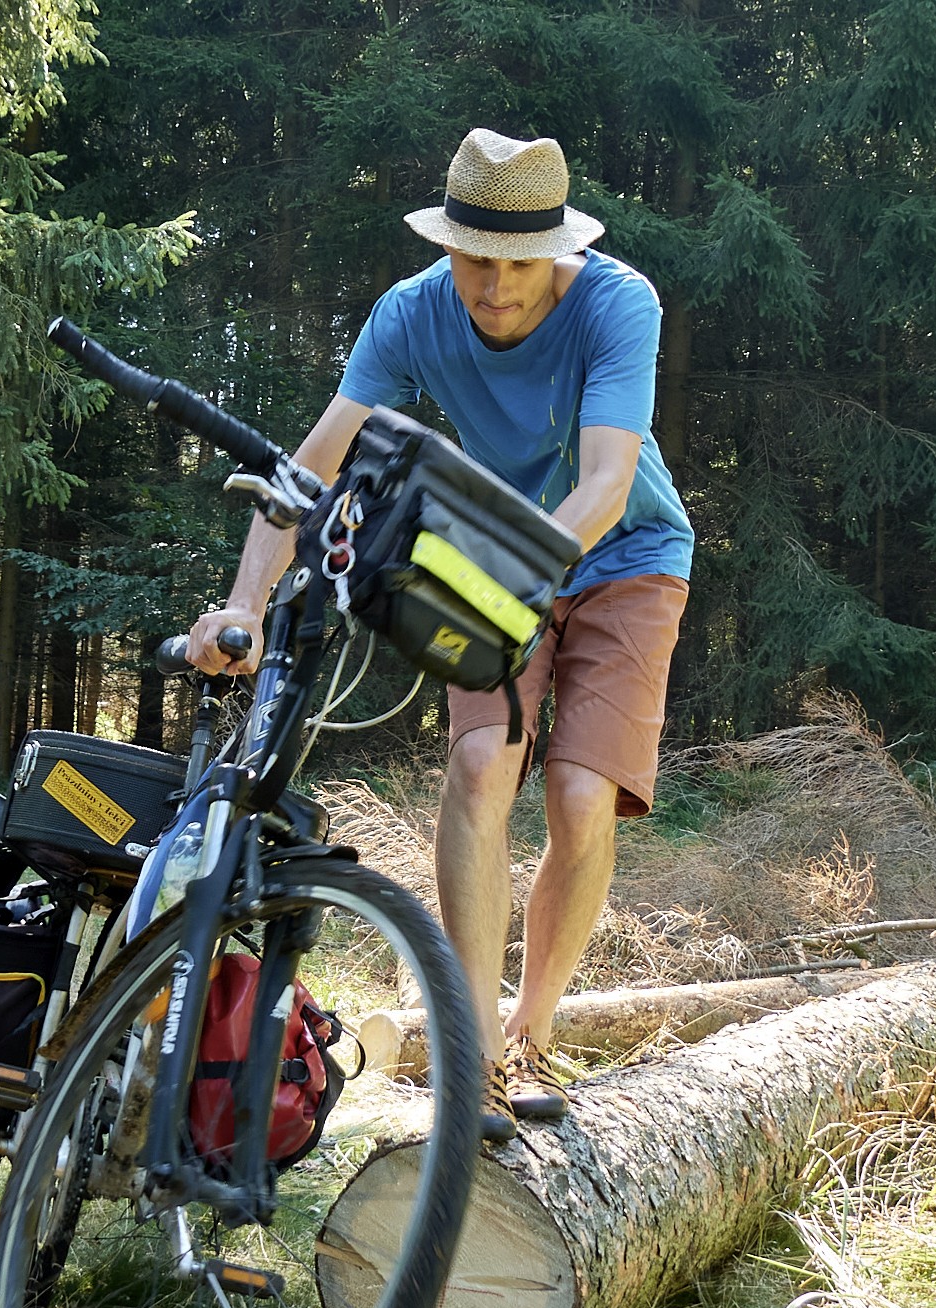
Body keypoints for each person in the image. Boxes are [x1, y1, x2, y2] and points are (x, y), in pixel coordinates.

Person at [186, 128, 694, 1141]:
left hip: (627, 552)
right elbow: (311, 467)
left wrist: (511, 573)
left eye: (517, 264)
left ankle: (532, 1032)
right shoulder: (413, 312)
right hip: (490, 557)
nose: (495, 288)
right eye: (474, 260)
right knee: (476, 769)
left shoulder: (616, 303)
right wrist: (242, 601)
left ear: (557, 251)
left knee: (582, 793)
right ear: (447, 245)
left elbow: (601, 484)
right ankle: (474, 1056)